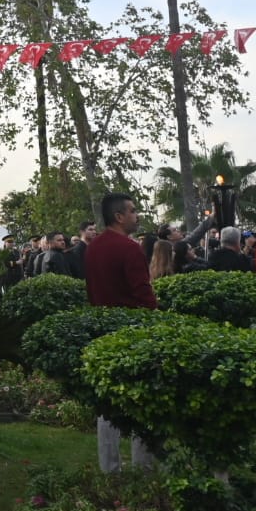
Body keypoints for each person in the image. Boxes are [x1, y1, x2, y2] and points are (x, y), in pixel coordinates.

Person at [83, 193, 155, 473]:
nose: (137, 216)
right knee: (140, 399)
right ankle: (142, 468)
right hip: (132, 329)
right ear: (119, 216)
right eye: (133, 211)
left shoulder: (93, 248)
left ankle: (109, 469)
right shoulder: (129, 248)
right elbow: (143, 293)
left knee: (107, 403)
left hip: (102, 327)